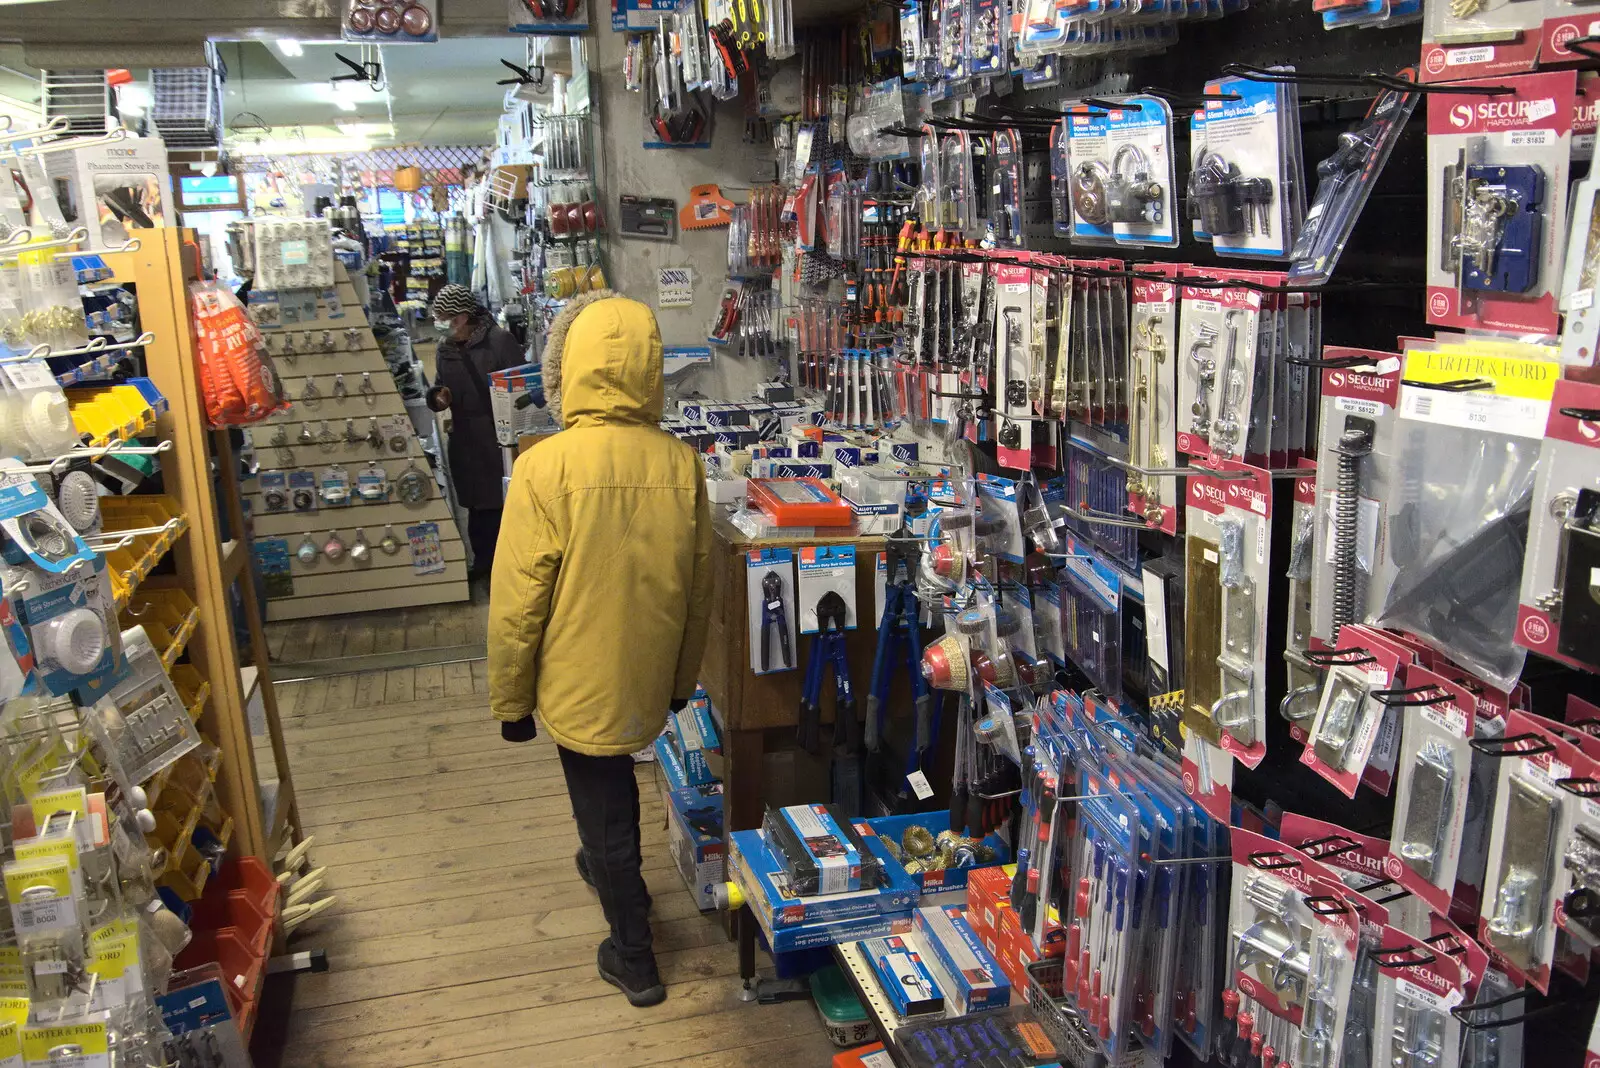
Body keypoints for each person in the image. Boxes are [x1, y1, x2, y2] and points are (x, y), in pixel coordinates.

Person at [487, 290, 712, 1007]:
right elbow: (697, 591)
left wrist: (512, 700)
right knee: (607, 802)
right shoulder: (682, 464)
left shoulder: (543, 466)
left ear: (569, 366)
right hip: (647, 670)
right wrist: (680, 682)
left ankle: (635, 955)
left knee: (607, 803)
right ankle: (601, 866)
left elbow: (518, 604)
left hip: (575, 674)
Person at [427, 284, 524, 579]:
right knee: (473, 505)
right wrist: (438, 397)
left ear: (464, 316)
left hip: (497, 437)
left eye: (448, 318)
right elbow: (438, 386)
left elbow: (523, 388)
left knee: (500, 503)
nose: (442, 324)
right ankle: (483, 561)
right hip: (464, 437)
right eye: (439, 317)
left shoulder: (499, 342)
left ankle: (507, 567)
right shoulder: (444, 348)